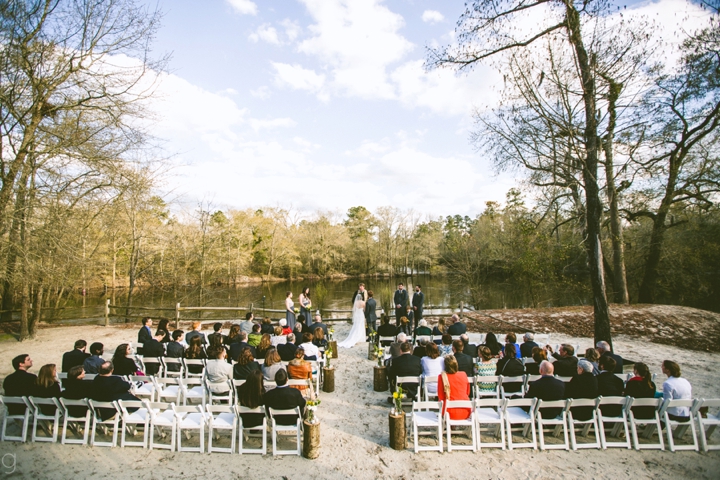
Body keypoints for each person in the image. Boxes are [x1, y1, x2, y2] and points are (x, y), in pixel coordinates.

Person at [438, 355, 471, 419]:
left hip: (448, 412)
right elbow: (467, 392)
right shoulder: (463, 374)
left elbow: (441, 396)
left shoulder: (441, 377)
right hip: (465, 410)